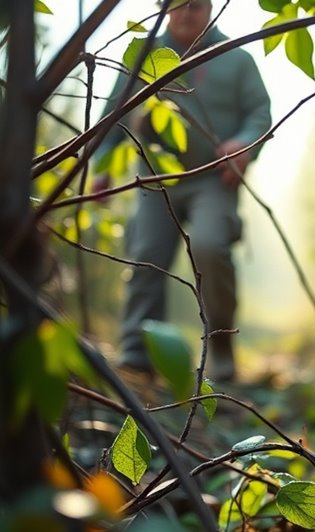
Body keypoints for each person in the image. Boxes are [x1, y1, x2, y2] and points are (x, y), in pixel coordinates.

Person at [92, 0, 271, 383]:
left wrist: (244, 145)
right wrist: (102, 166)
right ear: (163, 8)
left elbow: (260, 113)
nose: (187, 12)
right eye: (178, 4)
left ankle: (221, 344)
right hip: (155, 178)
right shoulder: (144, 55)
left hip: (213, 178)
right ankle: (137, 354)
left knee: (209, 245)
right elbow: (114, 111)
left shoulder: (236, 59)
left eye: (197, 4)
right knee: (146, 255)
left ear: (211, 8)